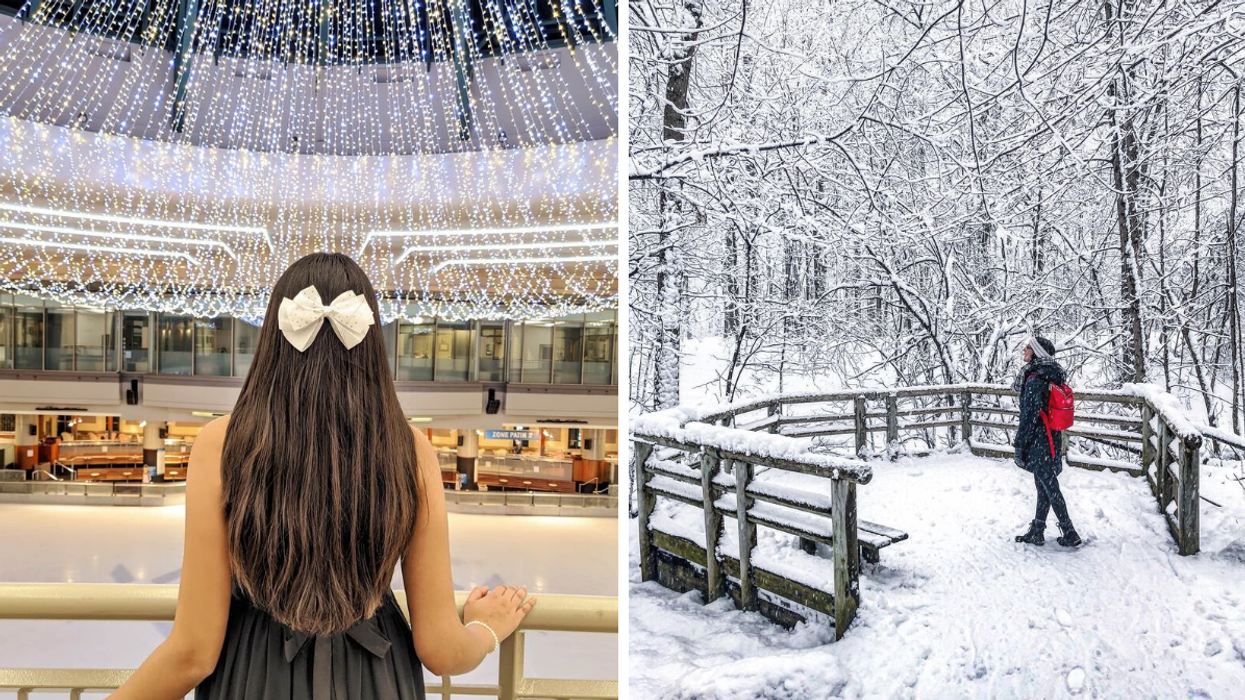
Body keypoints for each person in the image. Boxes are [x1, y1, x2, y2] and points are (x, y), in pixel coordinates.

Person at [107, 253, 536, 700]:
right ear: (371, 339)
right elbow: (444, 651)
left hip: (253, 674)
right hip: (376, 676)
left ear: (275, 335)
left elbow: (193, 653)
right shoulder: (409, 450)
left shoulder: (221, 443)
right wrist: (488, 626)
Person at [1012, 336, 1083, 548]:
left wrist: (1019, 444)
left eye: (1028, 347)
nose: (1024, 350)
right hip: (1052, 436)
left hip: (1038, 439)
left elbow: (1029, 416)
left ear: (1036, 352)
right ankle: (1038, 529)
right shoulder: (1051, 375)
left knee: (1049, 486)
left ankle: (1069, 530)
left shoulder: (1035, 379)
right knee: (1043, 483)